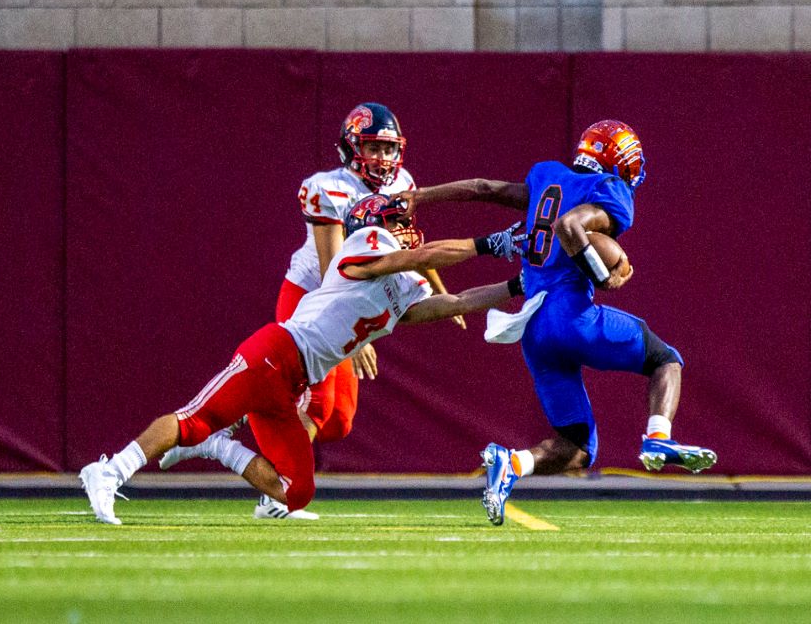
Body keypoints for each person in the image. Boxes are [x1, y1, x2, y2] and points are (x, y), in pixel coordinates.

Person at [79, 194, 526, 525]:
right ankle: (109, 471)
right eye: (400, 219)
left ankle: (217, 446)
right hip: (274, 354)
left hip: (295, 381)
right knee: (192, 418)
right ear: (376, 224)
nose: (409, 226)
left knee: (296, 492)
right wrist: (489, 244)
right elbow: (418, 255)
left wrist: (515, 285)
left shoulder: (405, 286)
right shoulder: (364, 248)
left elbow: (459, 301)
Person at [394, 119, 717, 526]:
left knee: (578, 446)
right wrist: (602, 276)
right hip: (571, 316)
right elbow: (569, 226)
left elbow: (483, 188)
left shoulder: (548, 177)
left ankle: (510, 463)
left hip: (533, 326)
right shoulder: (610, 190)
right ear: (618, 160)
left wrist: (421, 196)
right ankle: (658, 438)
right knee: (665, 359)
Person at [258, 102, 464, 519]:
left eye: (389, 149)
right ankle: (276, 490)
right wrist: (354, 341)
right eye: (374, 148)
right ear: (351, 147)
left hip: (351, 297)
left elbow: (409, 245)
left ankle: (256, 401)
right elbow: (335, 269)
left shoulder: (402, 183)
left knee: (338, 421)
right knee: (317, 405)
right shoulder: (328, 188)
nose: (384, 159)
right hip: (312, 297)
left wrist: (444, 293)